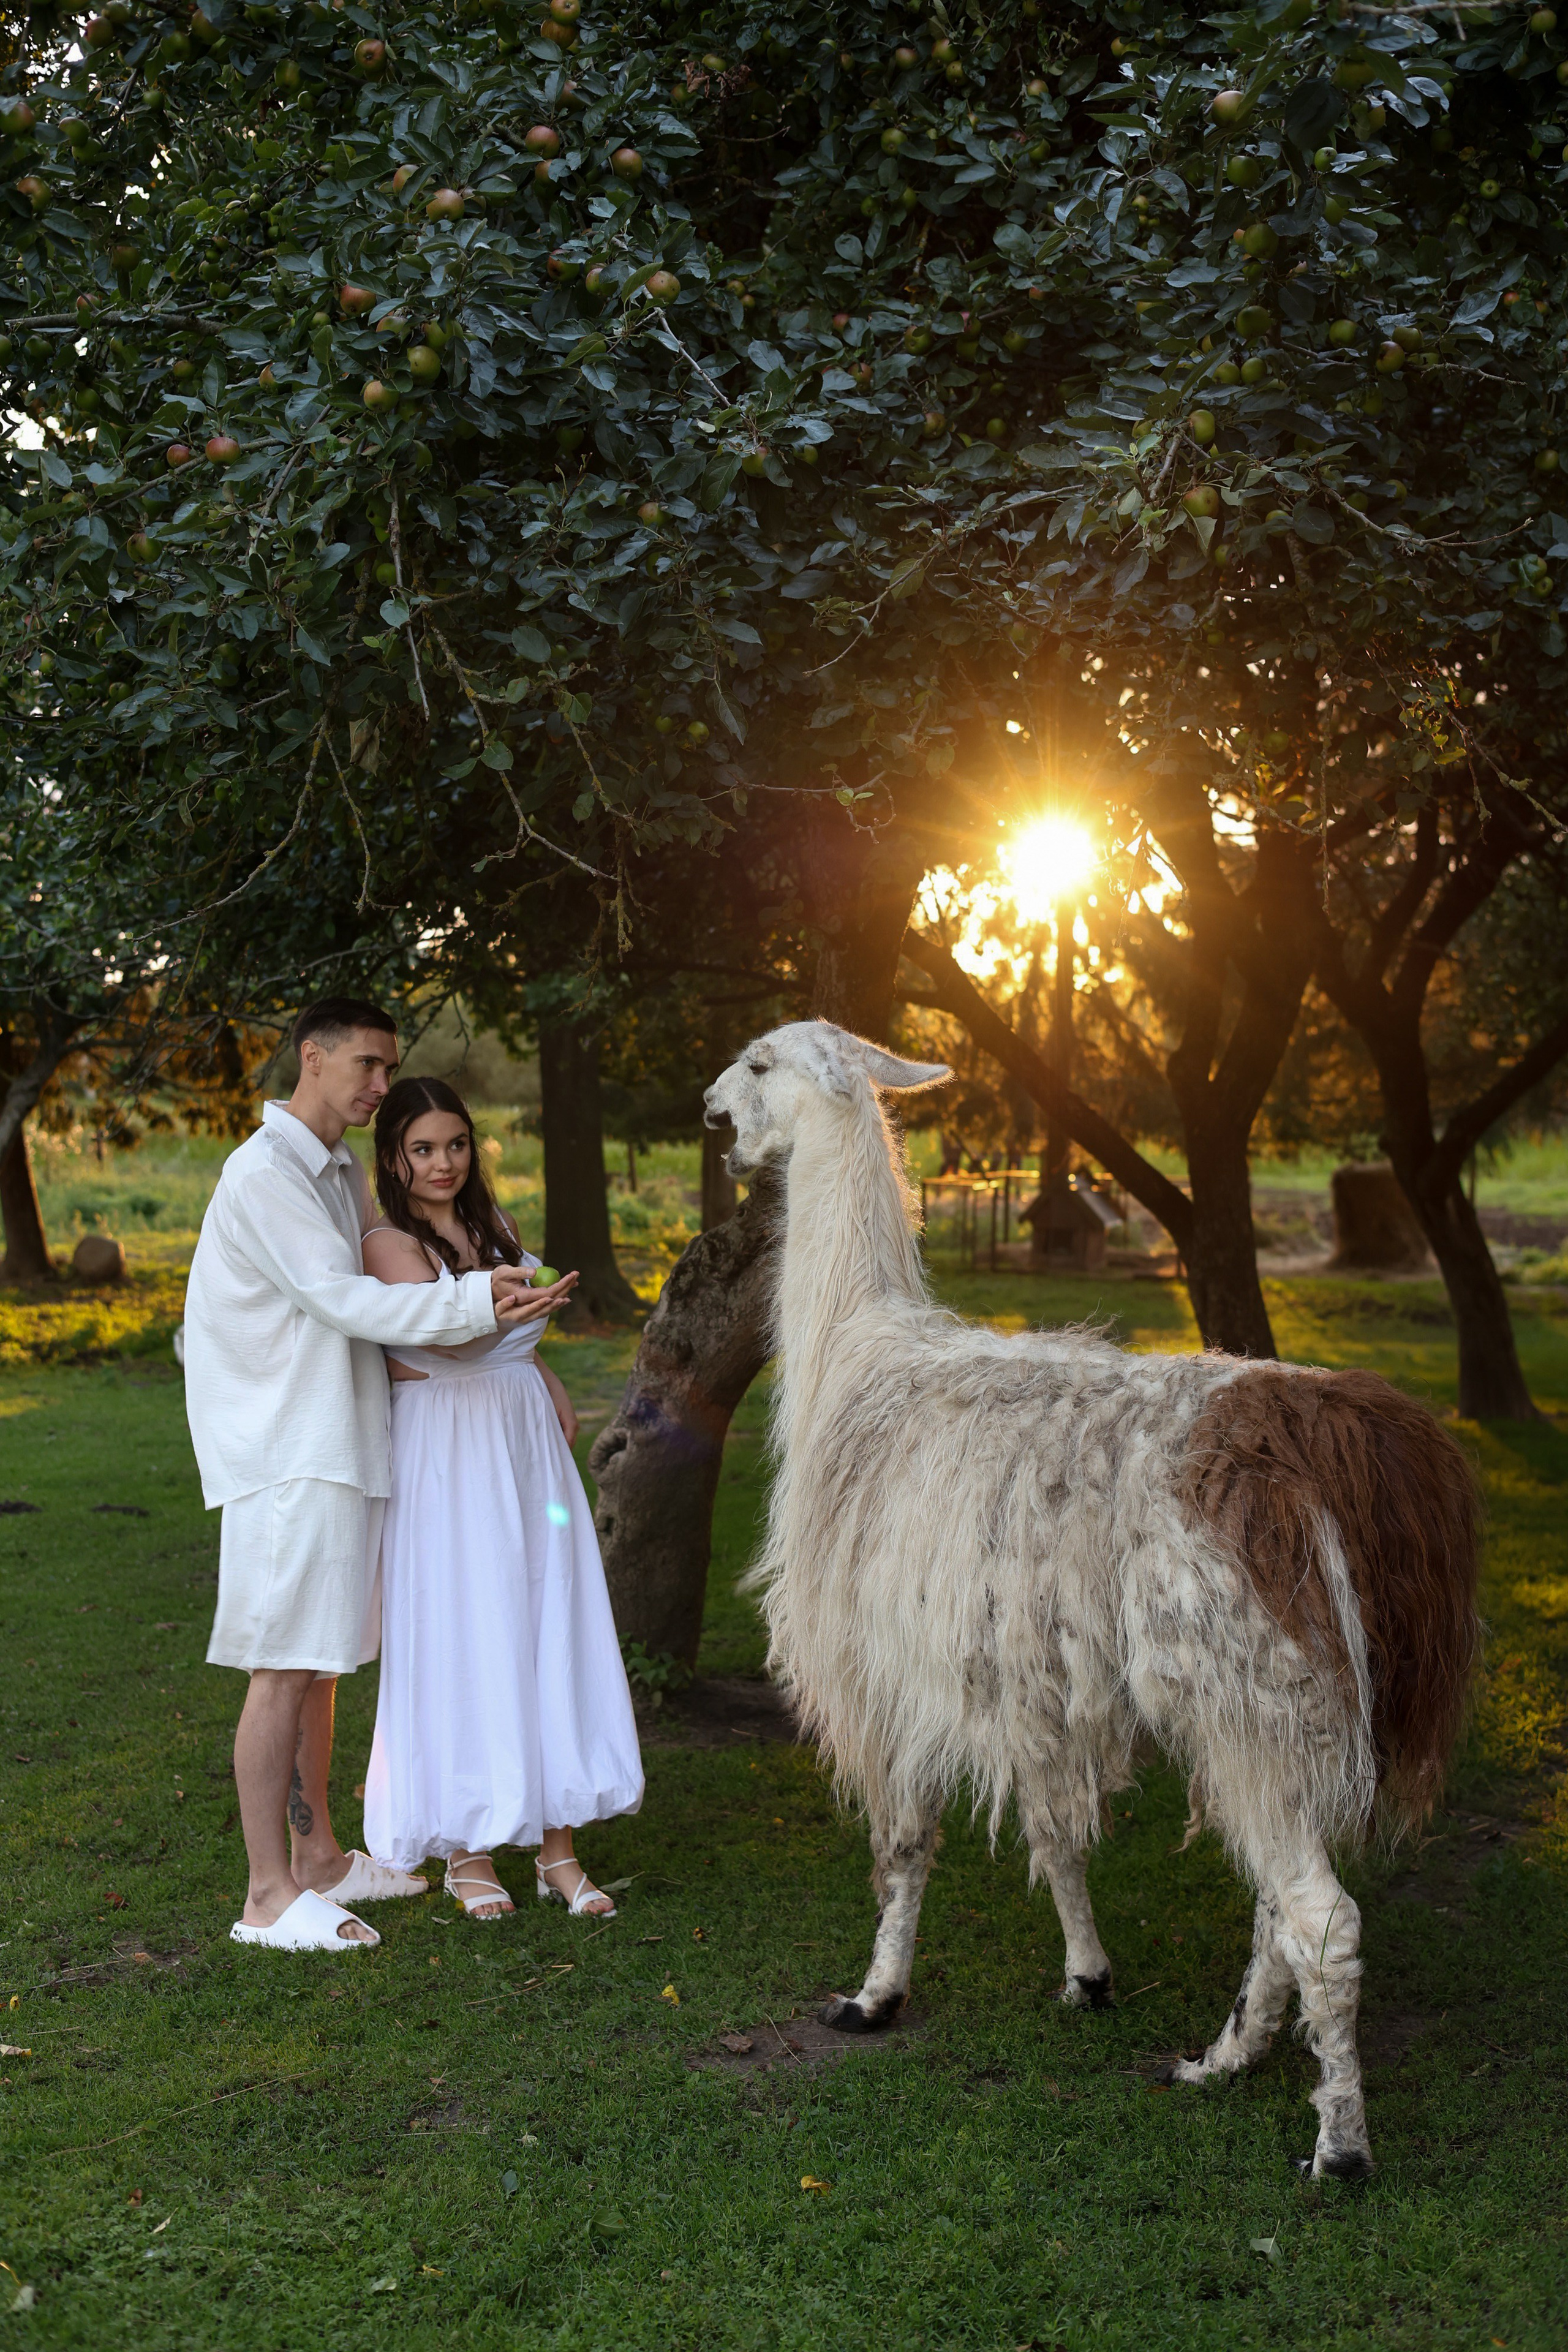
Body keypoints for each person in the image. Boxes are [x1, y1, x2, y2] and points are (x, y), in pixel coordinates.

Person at [184, 999, 575, 1953]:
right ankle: (267, 1896)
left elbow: (388, 1274)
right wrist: (478, 1298)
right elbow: (347, 1298)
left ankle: (318, 1859)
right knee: (281, 1667)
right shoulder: (265, 1172)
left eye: (387, 1067)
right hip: (287, 1453)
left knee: (321, 1666)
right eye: (365, 1064)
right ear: (310, 1059)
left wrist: (502, 1311)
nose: (379, 1085)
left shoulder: (336, 1169)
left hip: (342, 1443)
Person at [360, 1076, 643, 1921]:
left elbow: (508, 1339)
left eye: (456, 1144)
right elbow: (437, 1340)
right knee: (466, 1624)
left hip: (519, 1440)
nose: (443, 1163)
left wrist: (545, 1373)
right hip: (448, 1447)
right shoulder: (387, 1244)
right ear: (395, 1158)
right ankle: (467, 1849)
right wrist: (519, 1308)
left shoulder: (498, 1227)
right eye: (423, 1148)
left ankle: (559, 1848)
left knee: (543, 1617)